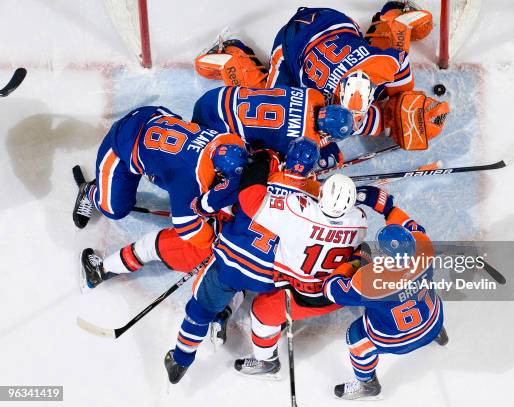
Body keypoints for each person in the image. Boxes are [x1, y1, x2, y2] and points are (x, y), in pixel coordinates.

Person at [163, 154, 367, 385]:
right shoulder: (359, 221)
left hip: (230, 263)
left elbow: (229, 206)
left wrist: (258, 164)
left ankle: (181, 359)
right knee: (260, 303)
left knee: (201, 309)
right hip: (269, 278)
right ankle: (236, 327)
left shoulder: (292, 206)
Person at [195, 4, 449, 151]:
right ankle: (233, 58)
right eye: (397, 127)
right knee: (274, 109)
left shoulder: (387, 68)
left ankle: (395, 18)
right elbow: (354, 123)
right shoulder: (340, 112)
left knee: (382, 54)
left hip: (332, 21)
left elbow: (399, 59)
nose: (392, 132)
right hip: (291, 45)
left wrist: (398, 95)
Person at [72, 106, 247, 290]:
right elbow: (185, 226)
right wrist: (213, 240)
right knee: (115, 209)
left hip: (156, 118)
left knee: (175, 177)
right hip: (120, 146)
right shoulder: (190, 178)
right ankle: (90, 191)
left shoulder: (225, 142)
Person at [322, 186, 448, 400]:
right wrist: (388, 209)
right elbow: (410, 226)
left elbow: (331, 289)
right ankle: (438, 334)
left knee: (355, 339)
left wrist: (354, 261)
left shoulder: (370, 280)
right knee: (425, 302)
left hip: (394, 340)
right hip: (433, 320)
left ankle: (367, 384)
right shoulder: (424, 247)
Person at [192, 85, 354, 169]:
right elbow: (290, 164)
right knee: (247, 164)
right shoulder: (305, 138)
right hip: (215, 130)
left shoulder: (313, 94)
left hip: (214, 97)